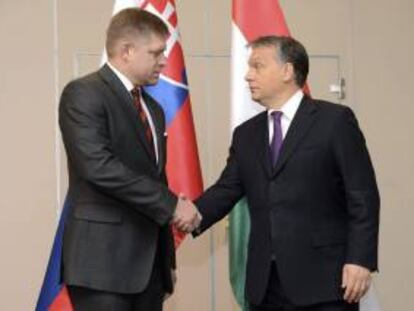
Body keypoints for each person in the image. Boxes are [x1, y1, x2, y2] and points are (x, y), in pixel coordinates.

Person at [187, 36, 380, 310]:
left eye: (257, 66)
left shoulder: (334, 121)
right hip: (266, 284)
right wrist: (184, 213)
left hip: (325, 282)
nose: (247, 75)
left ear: (287, 71)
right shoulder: (246, 135)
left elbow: (363, 195)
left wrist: (360, 259)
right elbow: (226, 190)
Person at [59, 8, 199, 311]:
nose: (164, 60)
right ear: (126, 51)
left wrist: (166, 262)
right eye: (156, 52)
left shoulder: (153, 108)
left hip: (149, 271)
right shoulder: (84, 93)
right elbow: (98, 167)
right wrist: (172, 203)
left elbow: (155, 178)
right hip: (102, 267)